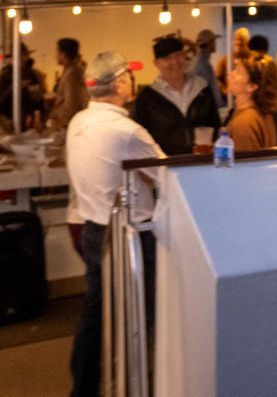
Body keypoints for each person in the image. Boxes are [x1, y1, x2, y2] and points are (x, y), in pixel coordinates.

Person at [67, 51, 164, 397]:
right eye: (129, 76)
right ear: (120, 83)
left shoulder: (78, 122)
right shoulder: (126, 131)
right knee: (143, 315)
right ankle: (137, 383)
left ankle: (84, 387)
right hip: (130, 236)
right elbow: (164, 174)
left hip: (93, 227)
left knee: (95, 311)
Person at [132, 36, 220, 155]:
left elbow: (215, 125)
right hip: (165, 165)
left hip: (201, 162)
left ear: (184, 57)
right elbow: (141, 138)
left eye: (178, 55)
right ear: (156, 63)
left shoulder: (202, 89)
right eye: (167, 58)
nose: (175, 62)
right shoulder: (148, 97)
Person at [49, 38, 90, 259]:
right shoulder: (71, 72)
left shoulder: (73, 74)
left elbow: (74, 107)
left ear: (63, 54)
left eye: (56, 52)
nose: (55, 56)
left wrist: (59, 119)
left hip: (75, 138)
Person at [225, 55, 277, 151]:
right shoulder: (263, 113)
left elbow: (244, 164)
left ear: (252, 86)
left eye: (238, 72)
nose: (230, 74)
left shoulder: (244, 123)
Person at [0, 42, 47, 122]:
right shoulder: (6, 74)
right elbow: (2, 97)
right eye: (22, 55)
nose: (25, 58)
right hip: (10, 116)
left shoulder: (31, 73)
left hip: (28, 116)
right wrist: (15, 87)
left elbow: (37, 99)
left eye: (25, 55)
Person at [189, 29, 224, 108]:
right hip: (213, 109)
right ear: (210, 43)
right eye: (214, 42)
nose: (216, 44)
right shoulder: (204, 66)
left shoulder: (196, 62)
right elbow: (205, 93)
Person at [215, 26, 250, 97]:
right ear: (233, 41)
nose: (239, 42)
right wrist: (225, 91)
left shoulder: (251, 60)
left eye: (242, 39)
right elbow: (217, 79)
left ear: (247, 41)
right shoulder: (225, 60)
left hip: (247, 98)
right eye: (237, 39)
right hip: (230, 99)